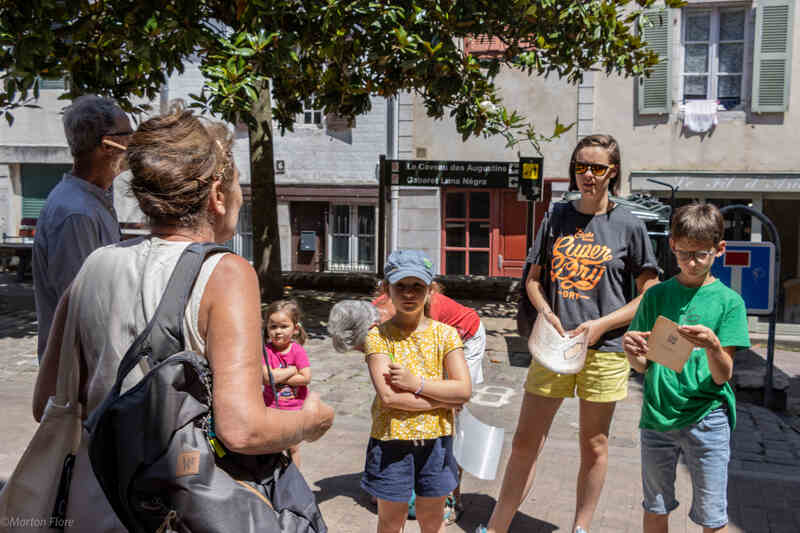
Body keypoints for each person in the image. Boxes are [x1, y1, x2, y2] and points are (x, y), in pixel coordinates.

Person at [32, 108, 334, 532]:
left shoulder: (95, 265)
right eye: (236, 184)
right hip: (179, 509)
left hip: (94, 500)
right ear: (216, 193)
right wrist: (312, 420)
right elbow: (243, 429)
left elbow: (45, 402)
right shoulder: (225, 273)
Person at [480, 134, 660, 533]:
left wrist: (601, 325)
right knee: (526, 441)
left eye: (598, 168)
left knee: (593, 445)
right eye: (581, 166)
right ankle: (497, 526)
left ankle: (581, 527)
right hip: (555, 346)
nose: (589, 175)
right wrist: (546, 313)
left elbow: (649, 294)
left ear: (613, 172)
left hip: (605, 350)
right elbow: (532, 280)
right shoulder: (556, 216)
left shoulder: (629, 225)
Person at [623, 203, 749, 533]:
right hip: (658, 414)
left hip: (707, 416)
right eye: (683, 254)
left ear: (719, 250)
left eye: (700, 255)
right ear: (672, 246)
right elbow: (642, 366)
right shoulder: (657, 296)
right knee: (655, 505)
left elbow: (724, 375)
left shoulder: (729, 302)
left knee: (711, 514)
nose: (691, 263)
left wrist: (714, 346)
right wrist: (631, 350)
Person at [362, 249, 472, 533]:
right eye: (401, 286)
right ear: (387, 289)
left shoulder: (446, 334)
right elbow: (389, 398)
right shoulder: (378, 336)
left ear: (431, 290)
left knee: (432, 520)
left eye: (417, 286)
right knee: (390, 521)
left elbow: (463, 390)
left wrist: (417, 384)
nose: (409, 293)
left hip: (436, 441)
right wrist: (442, 401)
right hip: (391, 441)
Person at [373, 282, 486, 523]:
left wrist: (442, 397)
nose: (408, 293)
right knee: (431, 394)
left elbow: (457, 391)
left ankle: (452, 497)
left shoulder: (430, 321)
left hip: (468, 335)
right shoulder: (379, 319)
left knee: (453, 407)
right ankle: (397, 488)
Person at [32, 95, 132, 361]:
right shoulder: (77, 213)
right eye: (128, 135)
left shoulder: (93, 201)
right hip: (80, 374)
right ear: (107, 145)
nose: (133, 144)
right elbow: (84, 308)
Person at [262, 299, 312, 468]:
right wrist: (291, 370)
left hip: (294, 409)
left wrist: (278, 375)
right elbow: (267, 378)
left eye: (284, 326)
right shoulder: (265, 351)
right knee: (270, 446)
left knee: (293, 448)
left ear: (295, 329)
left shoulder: (297, 350)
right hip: (270, 408)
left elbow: (305, 378)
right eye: (273, 327)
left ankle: (294, 479)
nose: (278, 331)